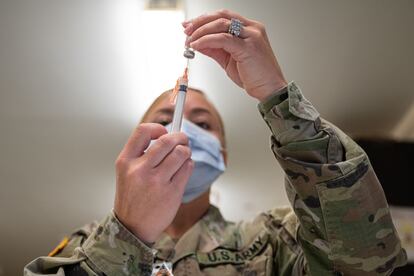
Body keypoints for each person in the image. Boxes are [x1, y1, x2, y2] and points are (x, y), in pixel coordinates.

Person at [24, 10, 407, 275]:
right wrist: (127, 233)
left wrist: (279, 98)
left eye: (203, 123)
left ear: (220, 154)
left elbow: (368, 264)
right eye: (164, 119)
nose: (182, 130)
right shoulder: (83, 246)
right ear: (135, 148)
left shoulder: (271, 241)